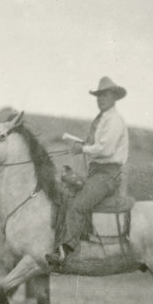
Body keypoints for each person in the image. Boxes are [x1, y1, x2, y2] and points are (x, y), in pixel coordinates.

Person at [45, 76, 130, 267]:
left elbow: (106, 150)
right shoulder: (102, 119)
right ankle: (71, 242)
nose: (100, 99)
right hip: (97, 172)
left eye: (105, 95)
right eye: (98, 95)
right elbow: (98, 146)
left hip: (109, 175)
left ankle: (65, 251)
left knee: (78, 205)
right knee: (65, 193)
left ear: (114, 97)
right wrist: (82, 145)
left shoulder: (114, 120)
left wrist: (81, 149)